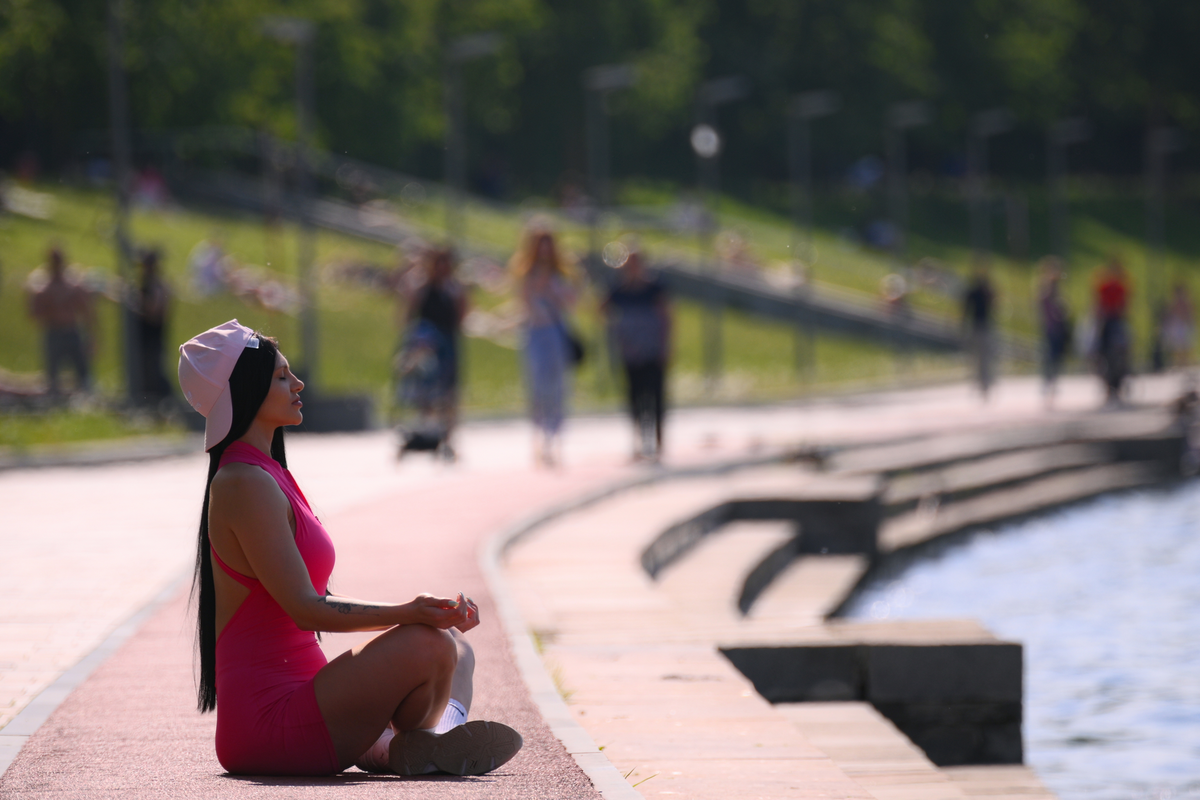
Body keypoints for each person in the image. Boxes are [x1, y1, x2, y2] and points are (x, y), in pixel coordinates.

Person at [178, 319, 521, 776]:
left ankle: (416, 745)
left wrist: (422, 614)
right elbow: (307, 610)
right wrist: (410, 611)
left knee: (456, 646)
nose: (298, 383)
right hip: (270, 726)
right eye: (281, 376)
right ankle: (416, 742)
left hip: (313, 699)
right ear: (247, 389)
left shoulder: (268, 474)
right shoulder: (242, 482)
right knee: (428, 642)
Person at [510, 226, 578, 467]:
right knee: (538, 386)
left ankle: (555, 435)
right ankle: (540, 436)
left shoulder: (560, 274)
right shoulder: (528, 274)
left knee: (558, 385)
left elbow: (572, 302)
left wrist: (557, 290)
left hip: (556, 332)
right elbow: (524, 304)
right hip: (535, 333)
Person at [603, 248, 671, 461]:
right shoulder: (618, 291)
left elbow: (667, 317)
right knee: (635, 397)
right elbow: (601, 309)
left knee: (655, 397)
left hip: (652, 350)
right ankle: (639, 441)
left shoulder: (654, 289)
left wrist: (666, 346)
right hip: (630, 352)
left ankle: (659, 442)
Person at [402, 247, 467, 454]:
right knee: (425, 390)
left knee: (448, 393)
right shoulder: (422, 288)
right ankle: (427, 432)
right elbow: (408, 315)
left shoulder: (453, 289)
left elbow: (461, 317)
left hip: (447, 344)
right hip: (426, 346)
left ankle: (447, 436)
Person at [27, 245, 95, 396]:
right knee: (52, 375)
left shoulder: (72, 284)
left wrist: (91, 336)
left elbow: (86, 310)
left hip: (72, 331)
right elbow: (34, 314)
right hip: (54, 331)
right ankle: (54, 398)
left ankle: (86, 398)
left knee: (83, 373)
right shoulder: (43, 285)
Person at [134, 248, 171, 405]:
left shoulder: (157, 285)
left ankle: (165, 399)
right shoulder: (144, 283)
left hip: (153, 334)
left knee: (154, 368)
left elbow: (154, 311)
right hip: (142, 335)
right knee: (143, 369)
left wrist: (138, 303)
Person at [1094, 259, 1131, 404]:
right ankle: (1113, 384)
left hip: (1112, 321)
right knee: (1113, 355)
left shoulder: (1111, 286)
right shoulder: (1112, 286)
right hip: (1113, 320)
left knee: (1111, 355)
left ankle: (1113, 384)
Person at [1036, 257, 1070, 406]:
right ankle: (1048, 382)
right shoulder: (1046, 289)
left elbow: (1062, 310)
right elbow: (1042, 304)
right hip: (1050, 328)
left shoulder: (1057, 290)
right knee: (1050, 356)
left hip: (1057, 328)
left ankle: (1052, 381)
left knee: (1056, 357)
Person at [961, 261, 996, 400]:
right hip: (977, 326)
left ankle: (985, 384)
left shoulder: (985, 291)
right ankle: (978, 383)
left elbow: (994, 303)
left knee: (983, 359)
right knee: (978, 359)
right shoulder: (973, 292)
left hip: (984, 326)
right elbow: (965, 310)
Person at [1161, 281, 1194, 368]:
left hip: (1183, 323)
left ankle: (1184, 363)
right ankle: (1179, 363)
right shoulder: (1175, 301)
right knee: (1177, 345)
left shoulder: (1185, 301)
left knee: (1184, 345)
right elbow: (1171, 312)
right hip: (1177, 323)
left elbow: (1189, 312)